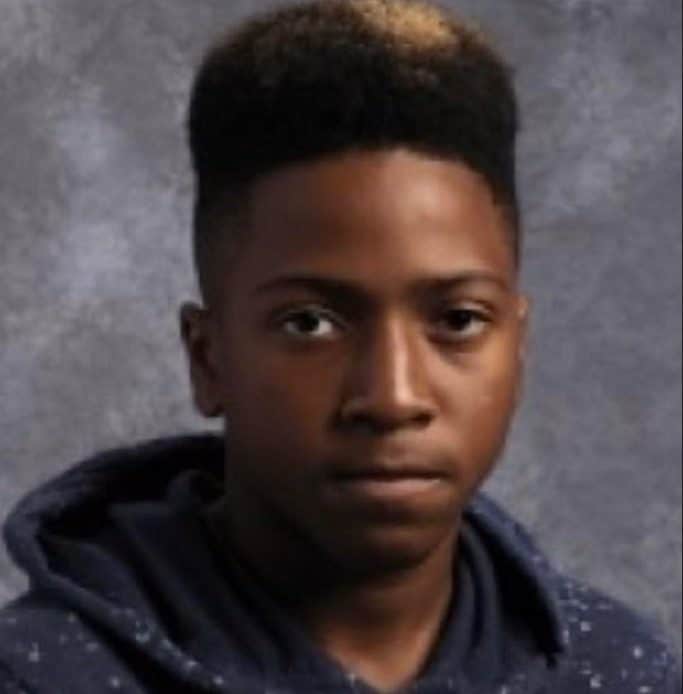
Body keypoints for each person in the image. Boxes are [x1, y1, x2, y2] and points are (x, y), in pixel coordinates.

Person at [0, 0, 679, 692]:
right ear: (208, 359)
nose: (392, 398)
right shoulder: (40, 675)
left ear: (518, 349)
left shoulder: (619, 671)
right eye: (309, 324)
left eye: (458, 320)